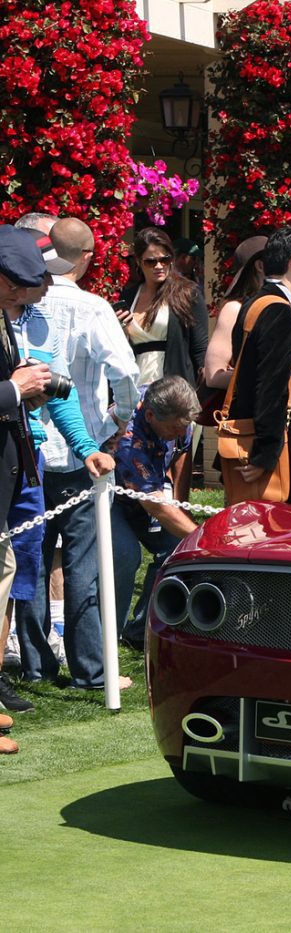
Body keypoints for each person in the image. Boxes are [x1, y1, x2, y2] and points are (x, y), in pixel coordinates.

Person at [12, 221, 130, 691]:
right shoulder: (89, 305)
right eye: (39, 277)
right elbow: (123, 373)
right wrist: (116, 424)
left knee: (34, 562)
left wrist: (88, 447)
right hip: (26, 461)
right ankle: (82, 669)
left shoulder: (40, 314)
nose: (46, 286)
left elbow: (55, 390)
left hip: (46, 456)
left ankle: (41, 667)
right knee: (41, 564)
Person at [0, 226, 60, 719]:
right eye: (15, 282)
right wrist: (13, 390)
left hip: (10, 471)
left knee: (6, 572)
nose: (22, 292)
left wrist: (25, 388)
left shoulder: (5, 313)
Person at [221, 226, 291, 506]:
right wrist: (266, 453)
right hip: (281, 461)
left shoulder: (255, 303)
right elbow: (272, 384)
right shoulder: (277, 310)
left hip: (274, 453)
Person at [111, 376, 200, 648]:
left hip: (151, 491)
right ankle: (108, 637)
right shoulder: (128, 440)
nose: (179, 432)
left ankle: (140, 630)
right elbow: (157, 508)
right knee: (126, 556)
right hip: (112, 499)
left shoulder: (177, 414)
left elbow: (182, 453)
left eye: (183, 427)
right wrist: (201, 536)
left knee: (176, 549)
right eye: (174, 428)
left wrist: (181, 506)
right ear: (150, 416)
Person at [117, 227, 208, 390]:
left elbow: (200, 350)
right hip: (135, 390)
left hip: (175, 391)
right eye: (151, 261)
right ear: (138, 261)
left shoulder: (187, 293)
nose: (159, 266)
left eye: (164, 260)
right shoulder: (128, 297)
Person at [202, 235, 267, 390]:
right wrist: (268, 380)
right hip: (247, 410)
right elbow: (213, 376)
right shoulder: (234, 309)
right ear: (260, 266)